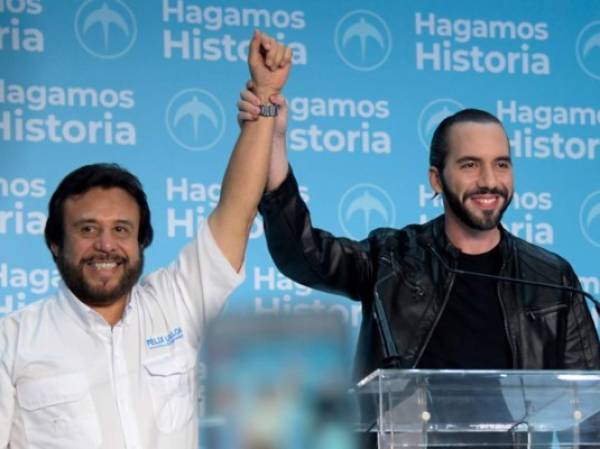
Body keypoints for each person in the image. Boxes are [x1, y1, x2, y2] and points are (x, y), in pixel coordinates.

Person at [237, 92, 600, 445]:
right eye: (470, 165)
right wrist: (274, 139)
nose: (490, 181)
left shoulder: (552, 278)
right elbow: (303, 255)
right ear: (436, 179)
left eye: (501, 164)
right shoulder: (391, 258)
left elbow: (590, 409)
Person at [0, 31, 292, 449]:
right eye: (87, 229)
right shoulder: (11, 340)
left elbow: (236, 211)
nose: (106, 245)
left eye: (121, 230)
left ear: (141, 242)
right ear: (54, 244)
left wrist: (264, 97)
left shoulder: (177, 303)